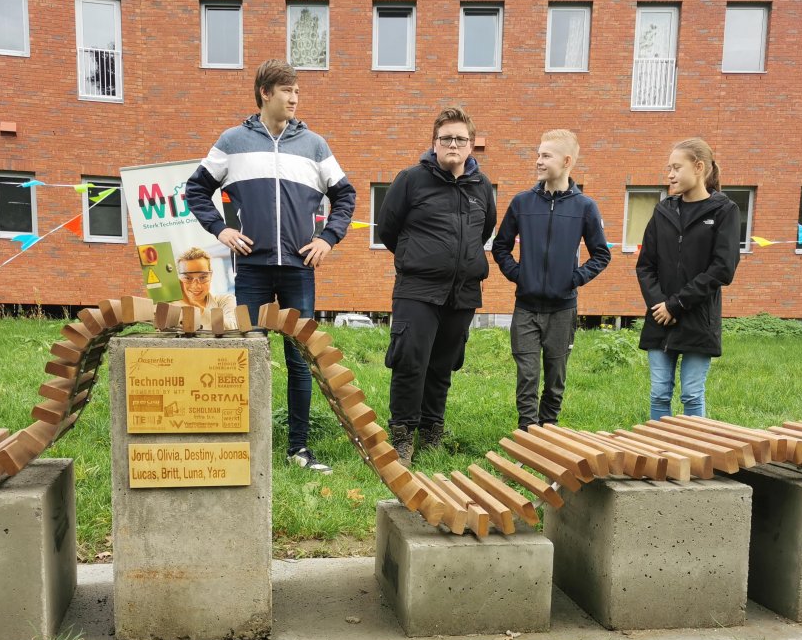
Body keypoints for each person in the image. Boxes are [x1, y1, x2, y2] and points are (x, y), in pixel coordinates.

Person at [183, 59, 356, 474]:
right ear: (265, 93)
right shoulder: (233, 141)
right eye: (287, 91)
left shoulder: (314, 145)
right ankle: (248, 444)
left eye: (297, 91)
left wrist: (328, 239)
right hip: (254, 270)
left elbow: (345, 195)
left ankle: (299, 449)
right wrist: (221, 231)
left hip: (299, 269)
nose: (294, 97)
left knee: (300, 358)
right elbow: (197, 189)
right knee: (248, 355)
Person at [378, 107, 497, 466]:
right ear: (434, 143)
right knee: (410, 362)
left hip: (462, 293)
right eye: (446, 138)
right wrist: (419, 256)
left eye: (460, 139)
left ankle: (431, 433)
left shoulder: (482, 186)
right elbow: (387, 229)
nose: (453, 144)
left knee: (443, 365)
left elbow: (485, 229)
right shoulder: (411, 179)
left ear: (471, 145)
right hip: (417, 290)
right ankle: (401, 436)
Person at [492, 130, 610, 431]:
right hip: (526, 308)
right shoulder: (522, 203)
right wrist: (520, 275)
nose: (538, 161)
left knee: (556, 376)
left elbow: (601, 255)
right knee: (527, 376)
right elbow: (500, 246)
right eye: (538, 154)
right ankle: (528, 433)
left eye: (546, 155)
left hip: (562, 309)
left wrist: (574, 279)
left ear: (566, 161)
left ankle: (550, 430)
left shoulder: (585, 207)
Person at [635, 137, 740, 420]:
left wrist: (677, 305)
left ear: (698, 167)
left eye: (676, 167)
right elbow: (645, 266)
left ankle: (695, 460)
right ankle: (659, 455)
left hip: (698, 320)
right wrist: (660, 305)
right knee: (659, 393)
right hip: (660, 319)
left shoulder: (724, 211)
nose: (670, 174)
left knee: (692, 395)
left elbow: (722, 268)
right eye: (668, 167)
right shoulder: (663, 211)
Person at [177, 247, 237, 330]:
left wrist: (194, 306)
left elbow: (232, 328)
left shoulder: (224, 301)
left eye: (202, 278)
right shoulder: (171, 307)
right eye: (188, 278)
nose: (196, 286)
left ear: (210, 276)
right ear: (178, 278)